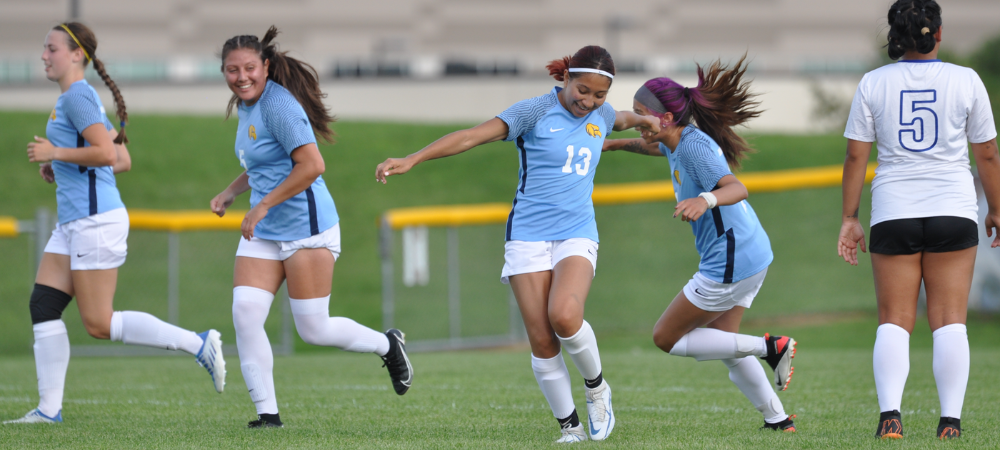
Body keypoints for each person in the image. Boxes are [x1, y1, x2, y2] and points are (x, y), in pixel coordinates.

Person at [375, 45, 658, 443]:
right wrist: (413, 158)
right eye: (583, 90)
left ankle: (597, 390)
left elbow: (623, 119)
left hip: (577, 231)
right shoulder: (533, 111)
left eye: (599, 95)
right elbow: (471, 137)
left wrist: (650, 121)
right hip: (527, 234)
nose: (589, 101)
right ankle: (570, 428)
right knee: (542, 339)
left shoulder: (603, 115)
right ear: (566, 79)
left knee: (564, 316)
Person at [4, 22, 226, 425]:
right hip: (72, 222)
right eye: (44, 48)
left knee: (99, 324)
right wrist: (61, 164)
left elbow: (107, 154)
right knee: (44, 305)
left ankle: (198, 343)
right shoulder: (71, 100)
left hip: (95, 222)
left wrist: (56, 151)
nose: (43, 55)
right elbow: (122, 159)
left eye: (51, 48)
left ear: (76, 55)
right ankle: (48, 410)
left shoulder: (78, 97)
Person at [211, 26, 413, 429]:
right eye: (232, 70)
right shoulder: (248, 105)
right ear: (224, 72)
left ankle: (388, 345)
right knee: (246, 313)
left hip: (306, 227)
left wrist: (262, 206)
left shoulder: (279, 106)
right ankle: (267, 416)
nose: (241, 76)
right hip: (266, 230)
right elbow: (265, 164)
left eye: (249, 68)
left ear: (265, 67)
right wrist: (231, 192)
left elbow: (312, 165)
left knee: (314, 329)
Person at [602, 55, 798, 433]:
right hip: (750, 253)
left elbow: (737, 188)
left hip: (731, 257)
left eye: (642, 115)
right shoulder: (676, 141)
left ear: (667, 118)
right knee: (727, 345)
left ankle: (771, 347)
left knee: (666, 338)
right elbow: (655, 148)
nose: (639, 120)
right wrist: (613, 146)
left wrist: (704, 200)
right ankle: (778, 420)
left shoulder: (692, 147)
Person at [839, 0, 999, 440]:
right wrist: (998, 210)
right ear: (939, 34)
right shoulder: (966, 79)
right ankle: (950, 423)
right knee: (950, 320)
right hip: (954, 208)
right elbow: (986, 151)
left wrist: (849, 217)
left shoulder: (873, 82)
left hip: (894, 210)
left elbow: (856, 154)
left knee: (894, 319)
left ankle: (890, 417)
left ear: (894, 36)